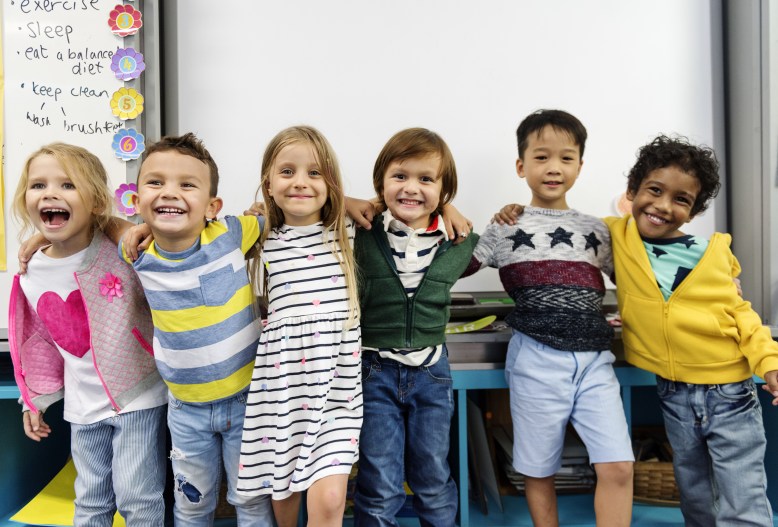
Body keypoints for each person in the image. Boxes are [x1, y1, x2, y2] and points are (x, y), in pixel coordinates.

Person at [466, 110, 634, 527]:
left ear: (580, 165)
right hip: (536, 357)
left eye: (565, 157)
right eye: (541, 157)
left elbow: (640, 280)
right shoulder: (506, 226)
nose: (553, 168)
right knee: (537, 468)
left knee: (618, 467)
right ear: (521, 166)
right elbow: (456, 266)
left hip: (595, 361)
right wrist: (451, 215)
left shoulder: (598, 230)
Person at [604, 135, 778, 526]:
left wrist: (770, 362)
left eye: (681, 200)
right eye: (654, 190)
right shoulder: (617, 236)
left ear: (694, 211)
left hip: (729, 392)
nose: (663, 206)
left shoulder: (710, 253)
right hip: (674, 391)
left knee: (742, 496)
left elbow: (741, 314)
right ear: (631, 191)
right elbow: (563, 226)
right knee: (695, 495)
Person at [9, 143, 168, 526]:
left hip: (138, 396)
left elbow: (159, 258)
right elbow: (40, 343)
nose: (49, 193)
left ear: (96, 202)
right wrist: (33, 399)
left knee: (138, 498)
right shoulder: (32, 271)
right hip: (83, 407)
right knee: (91, 501)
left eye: (67, 185)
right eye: (38, 185)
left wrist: (120, 227)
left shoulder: (121, 251)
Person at [119, 133, 273, 526]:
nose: (170, 193)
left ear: (212, 206)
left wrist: (264, 207)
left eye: (187, 185)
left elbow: (282, 210)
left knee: (252, 502)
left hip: (247, 402)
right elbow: (94, 222)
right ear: (137, 203)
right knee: (192, 505)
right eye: (156, 183)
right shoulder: (136, 252)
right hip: (185, 410)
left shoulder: (231, 234)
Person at [236, 125, 362, 527]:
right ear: (268, 184)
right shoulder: (259, 235)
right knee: (284, 498)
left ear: (331, 182)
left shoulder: (348, 231)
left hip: (337, 393)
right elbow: (186, 235)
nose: (300, 182)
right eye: (287, 172)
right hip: (282, 391)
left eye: (315, 172)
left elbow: (407, 203)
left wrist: (447, 207)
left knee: (328, 501)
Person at [352, 128, 478, 527]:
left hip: (431, 374)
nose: (411, 188)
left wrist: (451, 210)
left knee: (433, 478)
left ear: (444, 191)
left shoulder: (457, 240)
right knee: (379, 482)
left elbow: (495, 240)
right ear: (382, 183)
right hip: (375, 372)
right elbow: (310, 204)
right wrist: (364, 202)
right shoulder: (362, 231)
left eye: (426, 179)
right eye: (400, 177)